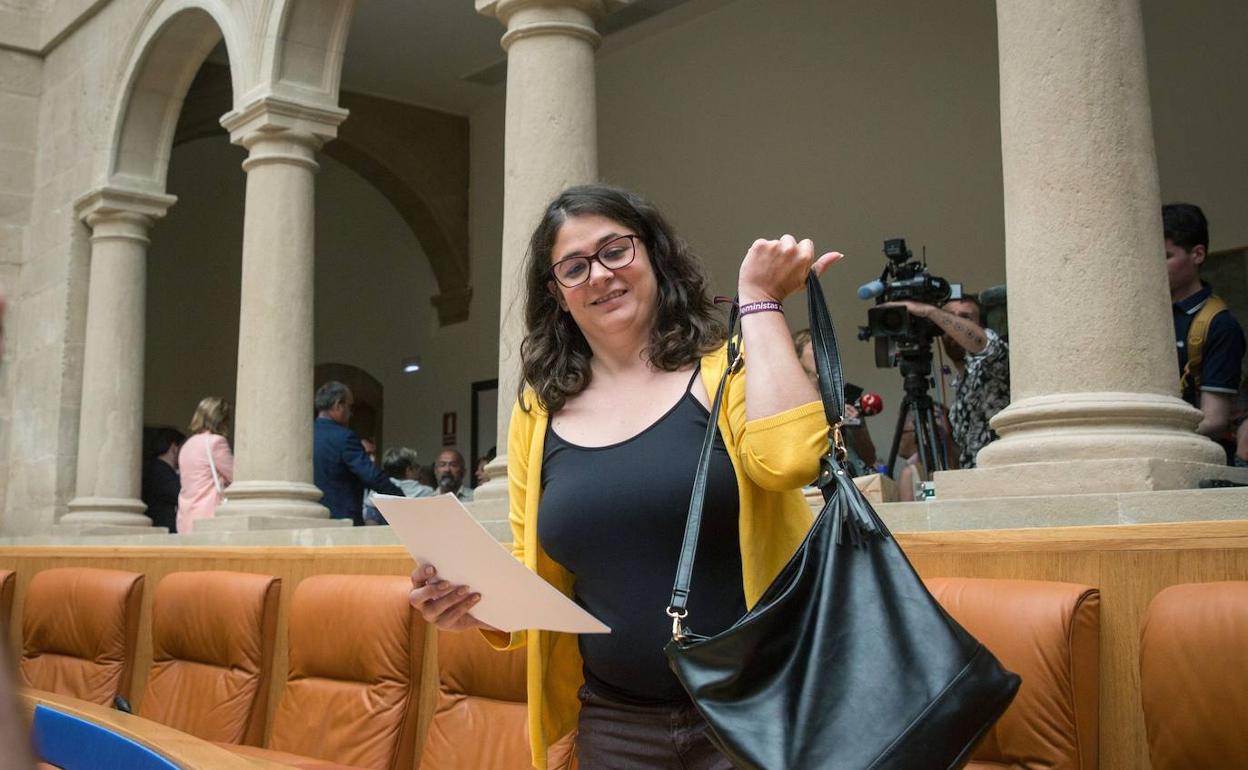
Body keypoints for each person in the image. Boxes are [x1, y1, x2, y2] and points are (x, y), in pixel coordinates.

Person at [409, 184, 839, 770]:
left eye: (616, 251)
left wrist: (761, 302)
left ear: (653, 255)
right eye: (574, 267)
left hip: (758, 711)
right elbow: (536, 570)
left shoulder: (725, 370)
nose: (600, 275)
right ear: (558, 294)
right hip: (616, 726)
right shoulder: (538, 411)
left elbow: (793, 461)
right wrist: (471, 604)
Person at [883, 294, 1010, 469]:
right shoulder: (961, 383)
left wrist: (929, 311)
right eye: (947, 318)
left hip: (1002, 473)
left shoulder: (996, 364)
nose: (951, 326)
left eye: (965, 318)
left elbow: (986, 345)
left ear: (982, 327)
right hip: (975, 478)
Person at [1165, 203, 1245, 461]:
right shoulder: (1148, 312)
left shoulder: (1219, 324)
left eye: (1166, 256)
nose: (1155, 265)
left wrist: (1154, 438)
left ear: (1197, 254)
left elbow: (1214, 419)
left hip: (1195, 458)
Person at [313, 381, 402, 525]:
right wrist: (400, 497)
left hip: (313, 518)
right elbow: (370, 475)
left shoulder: (305, 435)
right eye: (349, 406)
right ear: (338, 405)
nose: (351, 413)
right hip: (342, 520)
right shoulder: (344, 437)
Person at [793, 328, 877, 475]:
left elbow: (869, 458)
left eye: (826, 349)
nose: (823, 354)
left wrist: (857, 425)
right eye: (815, 348)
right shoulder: (792, 401)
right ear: (798, 356)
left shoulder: (843, 398)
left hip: (850, 477)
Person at [177, 397, 233, 534]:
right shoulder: (216, 442)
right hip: (208, 516)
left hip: (185, 517)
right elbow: (236, 476)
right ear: (221, 420)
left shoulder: (187, 444)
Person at [363, 446, 435, 525]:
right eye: (416, 466)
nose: (419, 470)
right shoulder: (427, 492)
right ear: (408, 470)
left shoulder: (375, 491)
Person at [141, 426, 184, 532]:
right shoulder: (159, 470)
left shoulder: (155, 468)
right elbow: (181, 494)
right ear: (174, 448)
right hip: (163, 531)